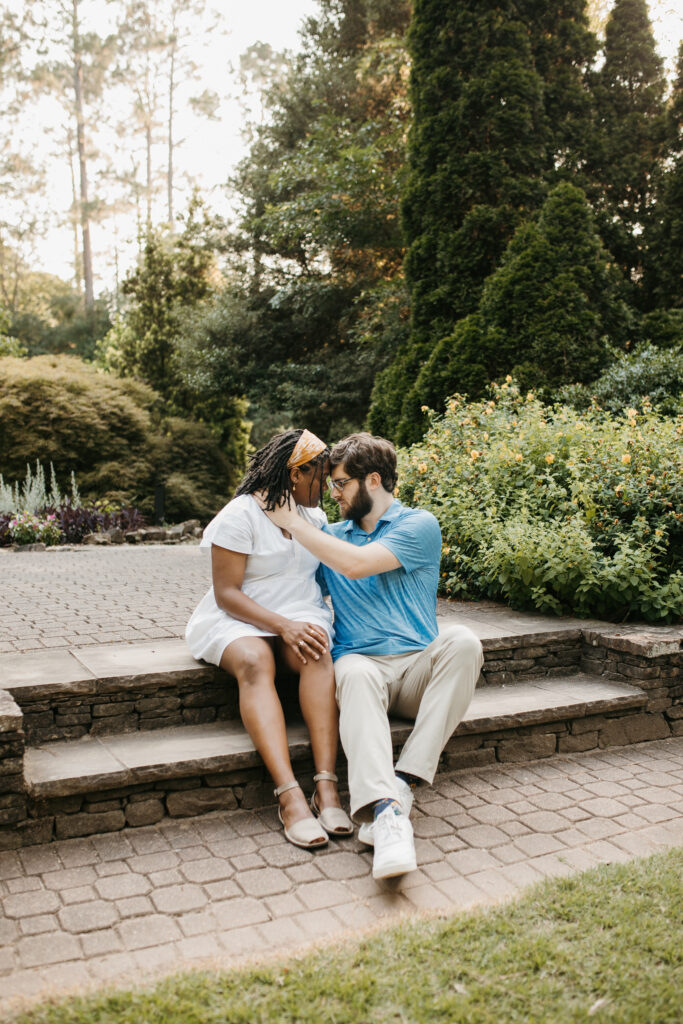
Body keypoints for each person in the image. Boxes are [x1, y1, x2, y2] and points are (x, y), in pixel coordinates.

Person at [262, 432, 483, 880]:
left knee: (464, 641)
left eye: (341, 483)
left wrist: (298, 524)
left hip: (417, 669)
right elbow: (288, 584)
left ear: (374, 481)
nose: (334, 493)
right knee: (356, 671)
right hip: (360, 667)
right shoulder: (330, 537)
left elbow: (356, 564)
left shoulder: (418, 525)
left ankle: (404, 784)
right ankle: (386, 812)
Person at [185, 429, 353, 849]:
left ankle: (325, 785)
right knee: (256, 660)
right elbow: (227, 594)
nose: (329, 488)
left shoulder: (312, 519)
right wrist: (281, 627)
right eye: (322, 477)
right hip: (239, 617)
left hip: (298, 613)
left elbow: (326, 579)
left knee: (317, 652)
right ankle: (289, 795)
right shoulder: (239, 515)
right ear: (296, 473)